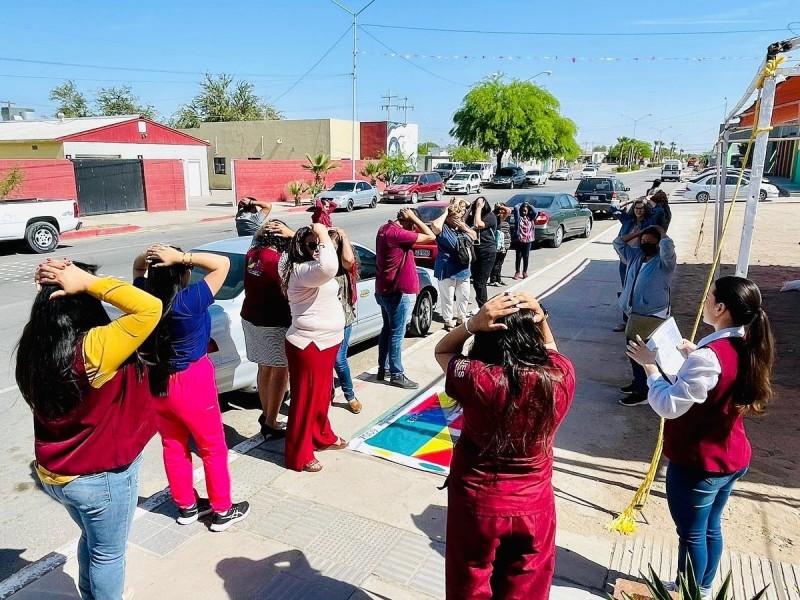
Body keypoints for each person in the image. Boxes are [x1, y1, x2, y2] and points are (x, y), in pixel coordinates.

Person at [16, 259, 162, 600]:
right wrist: (90, 281)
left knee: (93, 543)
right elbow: (149, 308)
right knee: (108, 554)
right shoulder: (94, 347)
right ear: (84, 298)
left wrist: (68, 282)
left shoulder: (35, 341)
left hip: (57, 475)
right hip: (101, 478)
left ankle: (90, 594)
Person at [627, 276, 774, 599]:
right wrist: (696, 353)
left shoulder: (709, 357)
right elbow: (720, 375)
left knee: (692, 534)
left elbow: (668, 406)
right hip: (731, 455)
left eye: (709, 297)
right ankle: (703, 587)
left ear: (721, 308)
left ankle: (694, 592)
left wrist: (651, 368)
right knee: (710, 526)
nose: (704, 301)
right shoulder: (744, 343)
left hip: (700, 463)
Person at [434, 292, 575, 599]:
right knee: (526, 587)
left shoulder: (476, 378)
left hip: (478, 502)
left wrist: (472, 324)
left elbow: (443, 350)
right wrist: (542, 318)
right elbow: (551, 350)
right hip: (534, 504)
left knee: (469, 585)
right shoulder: (559, 377)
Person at [135, 244, 250, 532]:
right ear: (183, 273)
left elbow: (138, 268)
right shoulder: (189, 301)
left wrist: (149, 256)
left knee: (173, 445)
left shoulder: (143, 297)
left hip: (158, 380)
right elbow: (221, 263)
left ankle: (186, 506)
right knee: (212, 447)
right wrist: (182, 257)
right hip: (192, 380)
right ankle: (222, 509)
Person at [281, 223, 346, 472]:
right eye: (312, 245)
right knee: (305, 401)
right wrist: (320, 232)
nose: (319, 248)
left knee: (321, 397)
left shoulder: (307, 267)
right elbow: (330, 267)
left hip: (326, 342)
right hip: (309, 345)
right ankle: (298, 454)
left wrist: (323, 237)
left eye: (319, 244)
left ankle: (321, 436)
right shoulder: (302, 270)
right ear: (301, 248)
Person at [241, 219, 294, 440]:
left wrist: (264, 228)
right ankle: (271, 421)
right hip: (275, 321)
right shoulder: (281, 261)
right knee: (280, 370)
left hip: (251, 318)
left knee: (264, 368)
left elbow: (255, 238)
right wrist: (292, 234)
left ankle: (266, 413)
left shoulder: (252, 254)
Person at [613, 225, 677, 406]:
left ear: (659, 244)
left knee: (639, 350)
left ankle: (643, 391)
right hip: (634, 311)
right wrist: (640, 233)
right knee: (634, 350)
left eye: (651, 242)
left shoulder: (665, 262)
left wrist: (661, 233)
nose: (646, 244)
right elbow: (618, 242)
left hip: (651, 313)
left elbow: (668, 249)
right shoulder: (636, 256)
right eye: (644, 241)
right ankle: (639, 383)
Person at [374, 208, 436, 389]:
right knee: (397, 333)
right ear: (408, 222)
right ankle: (396, 373)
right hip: (395, 291)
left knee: (387, 329)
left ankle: (383, 368)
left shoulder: (384, 229)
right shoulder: (398, 234)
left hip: (383, 288)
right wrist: (415, 218)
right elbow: (431, 235)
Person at [329, 227, 362, 414]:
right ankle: (328, 393)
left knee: (338, 359)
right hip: (323, 321)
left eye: (333, 247)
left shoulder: (345, 268)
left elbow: (349, 260)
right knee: (325, 361)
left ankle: (350, 395)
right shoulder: (320, 266)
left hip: (343, 318)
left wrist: (344, 236)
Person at [430, 198, 477, 331]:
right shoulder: (443, 228)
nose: (458, 219)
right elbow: (435, 226)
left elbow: (474, 236)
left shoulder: (462, 227)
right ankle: (448, 320)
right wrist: (446, 211)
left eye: (460, 217)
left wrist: (463, 227)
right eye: (455, 217)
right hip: (447, 268)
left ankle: (461, 317)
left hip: (463, 268)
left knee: (464, 295)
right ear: (449, 218)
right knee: (448, 297)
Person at [466, 197, 497, 308]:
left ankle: (483, 307)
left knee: (480, 282)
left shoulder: (490, 217)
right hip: (476, 252)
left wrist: (479, 208)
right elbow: (463, 222)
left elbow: (478, 224)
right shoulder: (473, 216)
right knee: (476, 281)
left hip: (487, 252)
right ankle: (483, 306)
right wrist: (470, 208)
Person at [511, 201, 535, 280]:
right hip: (519, 240)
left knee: (526, 256)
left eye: (526, 211)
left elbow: (535, 212)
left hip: (528, 240)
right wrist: (521, 204)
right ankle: (517, 272)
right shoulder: (518, 218)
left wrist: (529, 205)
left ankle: (525, 271)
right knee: (518, 257)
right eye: (523, 210)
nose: (524, 212)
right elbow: (515, 208)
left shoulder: (531, 218)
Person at [489, 203, 512, 286]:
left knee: (500, 263)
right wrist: (499, 208)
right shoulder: (497, 218)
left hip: (505, 243)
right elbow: (508, 210)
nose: (503, 210)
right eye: (501, 209)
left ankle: (498, 279)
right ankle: (493, 280)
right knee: (496, 263)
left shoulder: (502, 218)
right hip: (498, 244)